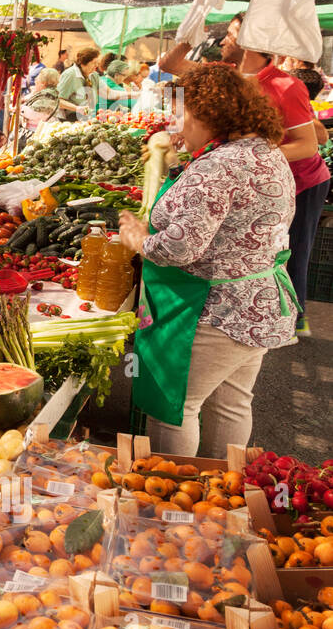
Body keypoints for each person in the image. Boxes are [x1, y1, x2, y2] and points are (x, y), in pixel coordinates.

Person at [119, 64, 297, 457]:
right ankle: (223, 491)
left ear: (207, 114)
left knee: (175, 409)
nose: (177, 122)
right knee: (231, 403)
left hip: (213, 310)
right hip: (259, 301)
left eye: (183, 113)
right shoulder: (266, 152)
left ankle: (176, 502)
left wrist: (139, 239)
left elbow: (181, 249)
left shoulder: (217, 167)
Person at [245, 52, 331, 340]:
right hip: (277, 183)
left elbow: (319, 139)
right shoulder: (250, 88)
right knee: (275, 248)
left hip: (306, 181)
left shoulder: (286, 89)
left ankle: (297, 319)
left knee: (296, 248)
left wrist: (260, 154)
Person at [56, 46, 101, 118]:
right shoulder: (70, 75)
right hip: (72, 118)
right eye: (94, 63)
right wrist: (77, 108)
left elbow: (106, 92)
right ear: (83, 62)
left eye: (97, 63)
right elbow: (58, 100)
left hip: (88, 116)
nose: (96, 65)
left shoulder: (93, 75)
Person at [21, 68, 61, 137]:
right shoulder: (48, 93)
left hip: (37, 133)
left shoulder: (48, 95)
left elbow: (34, 114)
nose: (35, 82)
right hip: (36, 131)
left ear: (43, 83)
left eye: (37, 81)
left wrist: (20, 109)